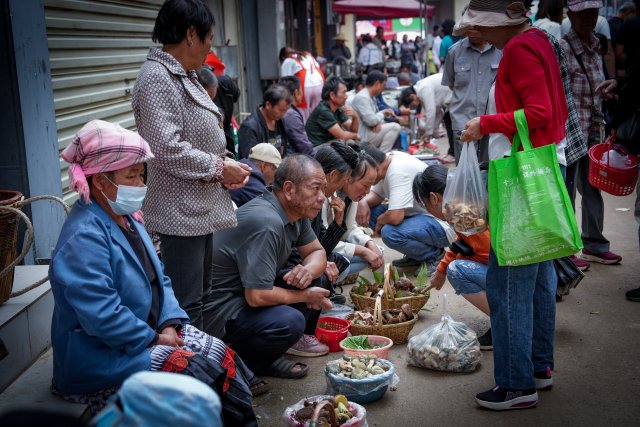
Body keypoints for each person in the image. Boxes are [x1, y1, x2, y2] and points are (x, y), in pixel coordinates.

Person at [51, 120, 255, 418]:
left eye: (140, 174)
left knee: (221, 353)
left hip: (151, 332)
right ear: (100, 181)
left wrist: (169, 322)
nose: (139, 184)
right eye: (130, 176)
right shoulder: (83, 237)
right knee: (196, 371)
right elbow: (102, 315)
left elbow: (161, 278)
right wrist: (154, 339)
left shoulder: (129, 218)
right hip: (105, 356)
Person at [457, 0, 568, 410]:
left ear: (499, 24)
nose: (474, 32)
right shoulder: (538, 39)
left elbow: (540, 111)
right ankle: (538, 367)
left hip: (520, 178)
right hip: (538, 168)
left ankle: (517, 384)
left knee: (506, 284)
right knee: (539, 279)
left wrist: (484, 124)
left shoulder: (519, 49)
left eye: (479, 25)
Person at [132, 0, 251, 329]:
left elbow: (194, 139)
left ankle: (209, 367)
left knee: (201, 295)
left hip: (198, 207)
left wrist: (224, 166)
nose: (211, 45)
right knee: (186, 303)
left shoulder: (182, 75)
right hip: (178, 211)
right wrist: (218, 168)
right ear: (190, 34)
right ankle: (192, 374)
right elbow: (166, 148)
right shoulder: (157, 78)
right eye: (209, 37)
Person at [204, 155, 332, 377]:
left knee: (316, 279)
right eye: (315, 189)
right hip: (220, 312)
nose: (322, 197)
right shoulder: (266, 222)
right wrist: (304, 296)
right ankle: (240, 368)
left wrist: (307, 271)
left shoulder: (295, 213)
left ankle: (266, 355)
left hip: (245, 294)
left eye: (323, 190)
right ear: (290, 189)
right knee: (290, 321)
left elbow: (317, 252)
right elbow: (257, 296)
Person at [561, 0, 622, 267]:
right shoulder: (563, 47)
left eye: (592, 12)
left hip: (594, 128)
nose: (588, 17)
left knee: (593, 188)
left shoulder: (597, 43)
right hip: (570, 132)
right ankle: (565, 250)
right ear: (570, 14)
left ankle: (594, 243)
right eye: (581, 12)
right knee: (567, 192)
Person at [412, 165, 492, 349]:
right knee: (454, 266)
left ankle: (506, 322)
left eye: (426, 205)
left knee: (457, 270)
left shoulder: (461, 213)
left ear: (434, 198)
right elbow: (462, 241)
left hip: (507, 273)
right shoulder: (466, 202)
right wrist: (441, 269)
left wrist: (449, 267)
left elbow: (488, 253)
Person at [356, 143, 456, 273]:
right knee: (370, 213)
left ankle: (434, 256)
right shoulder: (386, 161)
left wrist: (381, 220)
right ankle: (416, 255)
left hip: (441, 223)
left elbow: (395, 217)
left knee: (390, 233)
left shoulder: (397, 170)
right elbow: (377, 195)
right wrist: (362, 202)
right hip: (419, 216)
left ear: (373, 166)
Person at [441, 30, 502, 164]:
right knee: (466, 172)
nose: (471, 32)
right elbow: (451, 84)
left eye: (477, 27)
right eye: (468, 27)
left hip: (492, 120)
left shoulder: (500, 50)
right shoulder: (454, 52)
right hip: (463, 121)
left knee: (490, 169)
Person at [331, 144, 385, 281]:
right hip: (315, 254)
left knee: (375, 251)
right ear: (348, 177)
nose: (367, 193)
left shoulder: (350, 195)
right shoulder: (327, 195)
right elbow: (320, 242)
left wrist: (368, 244)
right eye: (366, 185)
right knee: (355, 257)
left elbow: (350, 228)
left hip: (331, 247)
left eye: (370, 187)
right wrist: (362, 250)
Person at [398, 73, 453, 155]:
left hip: (454, 96)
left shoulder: (424, 88)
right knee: (448, 122)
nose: (415, 106)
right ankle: (452, 153)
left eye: (412, 105)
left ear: (412, 96)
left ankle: (453, 154)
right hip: (450, 100)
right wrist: (433, 133)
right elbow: (438, 112)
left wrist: (428, 133)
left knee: (452, 126)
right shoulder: (421, 89)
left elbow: (431, 111)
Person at [351, 71, 401, 152]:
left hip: (370, 131)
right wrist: (382, 114)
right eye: (383, 85)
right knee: (395, 127)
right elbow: (372, 121)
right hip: (362, 137)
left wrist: (378, 122)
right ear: (377, 83)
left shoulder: (371, 97)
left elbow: (374, 119)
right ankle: (382, 156)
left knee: (389, 124)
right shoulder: (362, 97)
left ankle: (380, 155)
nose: (383, 88)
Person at [238, 84, 291, 159]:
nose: (283, 114)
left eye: (286, 111)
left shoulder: (279, 121)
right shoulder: (249, 127)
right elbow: (250, 160)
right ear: (268, 105)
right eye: (281, 110)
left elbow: (286, 148)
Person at [305, 77, 360, 146]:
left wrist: (355, 116)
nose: (346, 96)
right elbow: (342, 136)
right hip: (316, 150)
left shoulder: (338, 109)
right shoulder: (323, 110)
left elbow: (353, 130)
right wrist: (355, 135)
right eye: (344, 93)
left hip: (328, 147)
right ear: (332, 95)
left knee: (356, 146)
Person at [561, 10, 616, 78]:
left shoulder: (596, 42)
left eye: (593, 12)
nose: (587, 18)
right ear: (570, 15)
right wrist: (612, 77)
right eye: (580, 13)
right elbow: (609, 53)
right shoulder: (562, 49)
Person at [280, 47, 325, 122]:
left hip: (305, 86)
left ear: (283, 56)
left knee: (303, 113)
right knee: (317, 111)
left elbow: (284, 80)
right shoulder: (307, 56)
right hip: (319, 84)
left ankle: (303, 131)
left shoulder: (288, 60)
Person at [229, 143, 281, 208]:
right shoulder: (252, 182)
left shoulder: (247, 173)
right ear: (264, 166)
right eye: (275, 169)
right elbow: (272, 210)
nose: (276, 175)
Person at [278, 76, 315, 155]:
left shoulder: (287, 111)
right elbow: (305, 148)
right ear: (296, 93)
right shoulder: (291, 114)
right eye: (301, 90)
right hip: (294, 160)